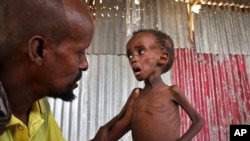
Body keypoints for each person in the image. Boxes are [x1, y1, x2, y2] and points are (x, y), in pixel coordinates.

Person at [0, 0, 139, 140]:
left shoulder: (37, 107)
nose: (84, 64)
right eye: (79, 52)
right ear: (39, 50)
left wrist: (114, 129)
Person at [105, 29, 204, 141]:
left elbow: (198, 121)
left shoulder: (172, 92)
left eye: (141, 52)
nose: (133, 59)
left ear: (162, 58)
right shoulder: (136, 95)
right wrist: (103, 130)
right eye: (130, 55)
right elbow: (120, 119)